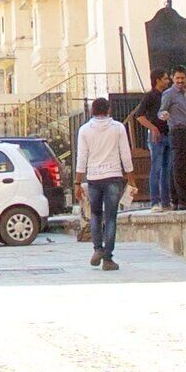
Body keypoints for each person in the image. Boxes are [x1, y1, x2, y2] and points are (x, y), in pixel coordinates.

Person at [71, 99, 131, 271]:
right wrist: (131, 177)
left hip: (94, 178)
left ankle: (97, 248)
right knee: (111, 217)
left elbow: (82, 157)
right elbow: (125, 154)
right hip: (113, 176)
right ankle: (108, 258)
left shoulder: (84, 130)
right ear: (109, 110)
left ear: (92, 111)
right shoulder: (118, 128)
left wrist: (77, 182)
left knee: (96, 215)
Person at [155, 69, 186, 209]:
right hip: (177, 131)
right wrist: (164, 115)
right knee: (179, 166)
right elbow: (161, 112)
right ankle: (182, 200)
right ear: (173, 78)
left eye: (182, 78)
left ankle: (178, 199)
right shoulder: (169, 94)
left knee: (180, 165)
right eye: (177, 78)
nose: (180, 81)